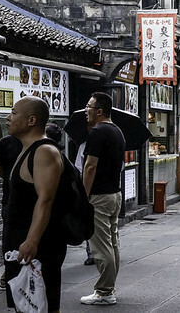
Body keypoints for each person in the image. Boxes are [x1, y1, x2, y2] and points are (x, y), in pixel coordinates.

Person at [4, 99, 67, 312]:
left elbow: (45, 199)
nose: (8, 118)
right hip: (20, 242)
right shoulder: (26, 149)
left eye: (13, 113)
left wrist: (31, 241)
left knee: (43, 306)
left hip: (40, 245)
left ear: (31, 120)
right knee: (25, 306)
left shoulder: (44, 151)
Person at [80, 92, 126, 306]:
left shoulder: (97, 132)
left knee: (100, 246)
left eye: (89, 106)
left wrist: (83, 195)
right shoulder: (117, 131)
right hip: (114, 194)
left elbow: (90, 166)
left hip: (98, 196)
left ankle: (105, 291)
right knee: (112, 243)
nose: (85, 110)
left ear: (99, 111)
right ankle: (110, 286)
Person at [0, 124, 23, 289]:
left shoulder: (39, 142)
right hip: (10, 198)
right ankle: (10, 270)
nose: (8, 120)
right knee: (9, 238)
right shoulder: (5, 142)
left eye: (14, 114)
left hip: (34, 200)